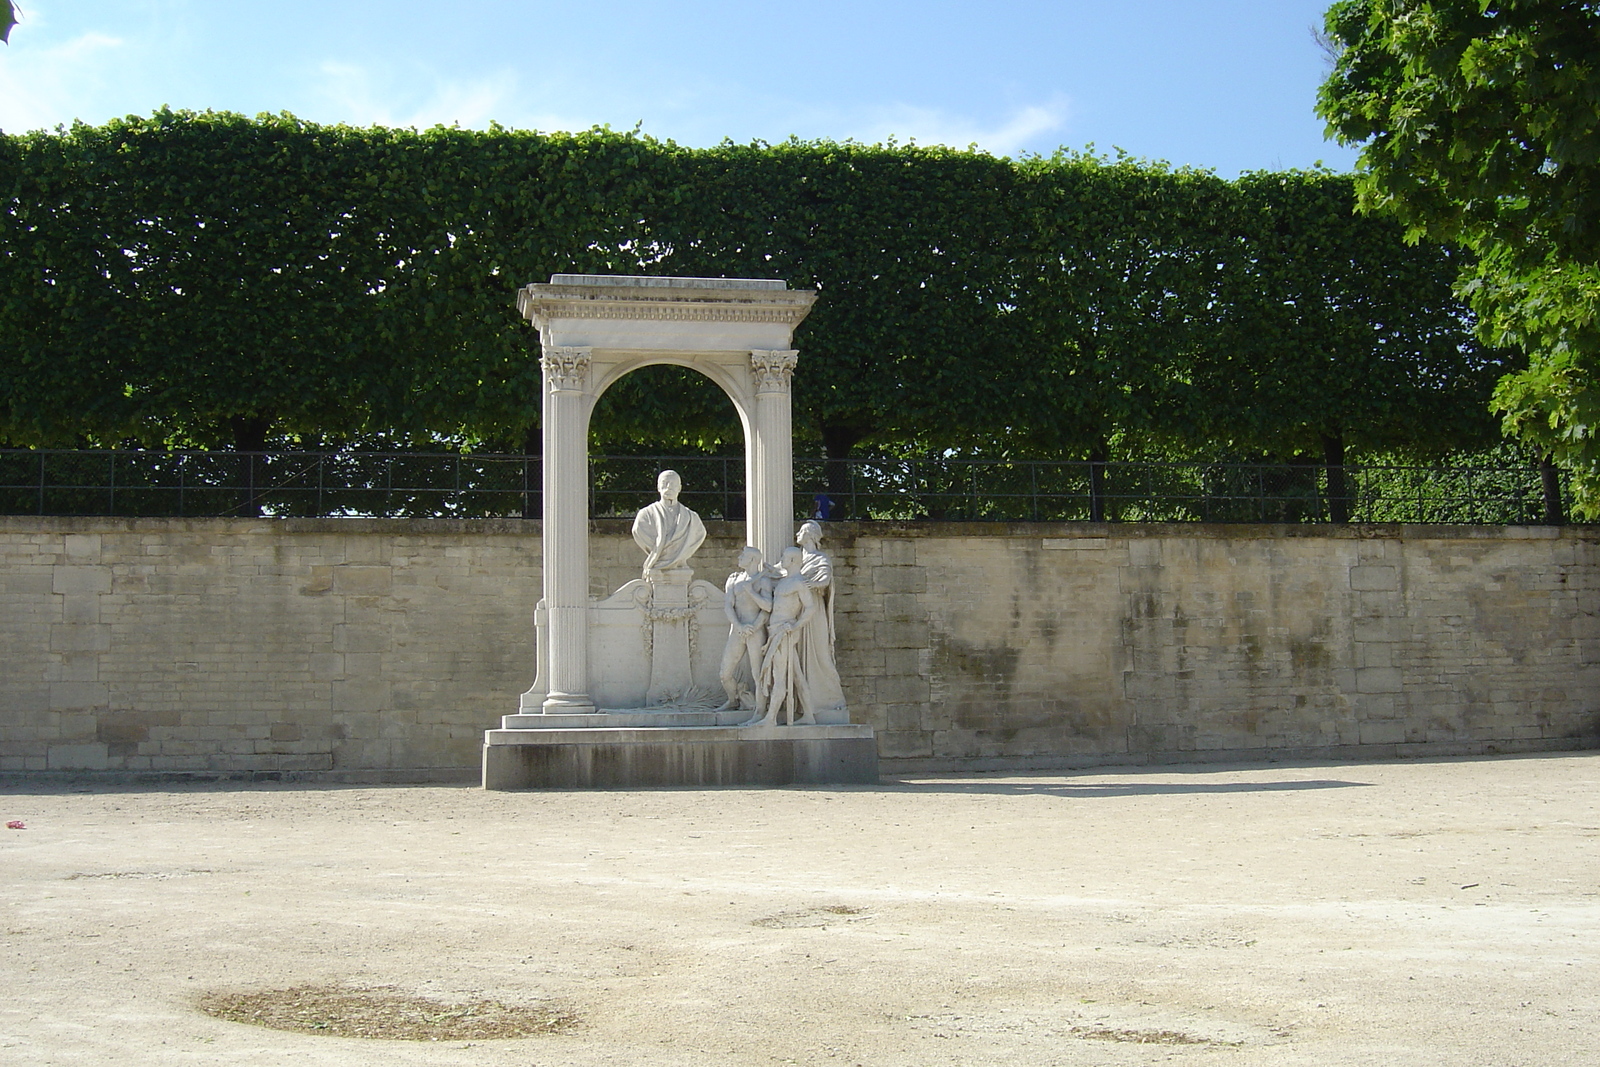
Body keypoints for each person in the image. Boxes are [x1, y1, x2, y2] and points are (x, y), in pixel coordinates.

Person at [750, 546, 817, 727]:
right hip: (776, 631)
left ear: (793, 560)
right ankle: (809, 715)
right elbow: (775, 571)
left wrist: (795, 625)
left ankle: (770, 718)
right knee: (797, 675)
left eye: (785, 557)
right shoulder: (785, 580)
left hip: (784, 633)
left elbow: (810, 608)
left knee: (778, 676)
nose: (782, 559)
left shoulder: (798, 583)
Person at [793, 521, 847, 717]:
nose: (797, 534)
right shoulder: (796, 558)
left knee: (821, 655)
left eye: (801, 531)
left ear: (809, 535)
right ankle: (806, 706)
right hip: (798, 610)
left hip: (814, 612)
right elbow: (779, 571)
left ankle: (832, 701)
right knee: (799, 657)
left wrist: (806, 584)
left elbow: (825, 579)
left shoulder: (820, 559)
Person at [716, 547, 773, 712]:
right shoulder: (733, 579)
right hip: (738, 629)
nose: (739, 557)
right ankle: (733, 699)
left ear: (754, 560)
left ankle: (761, 709)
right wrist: (739, 626)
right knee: (724, 673)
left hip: (755, 630)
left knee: (758, 673)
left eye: (744, 555)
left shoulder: (763, 581)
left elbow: (767, 607)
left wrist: (751, 593)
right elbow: (728, 606)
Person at [631, 470, 706, 578]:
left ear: (680, 488)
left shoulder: (692, 519)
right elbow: (637, 531)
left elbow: (700, 534)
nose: (669, 486)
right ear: (658, 487)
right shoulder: (645, 515)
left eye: (674, 484)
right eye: (665, 482)